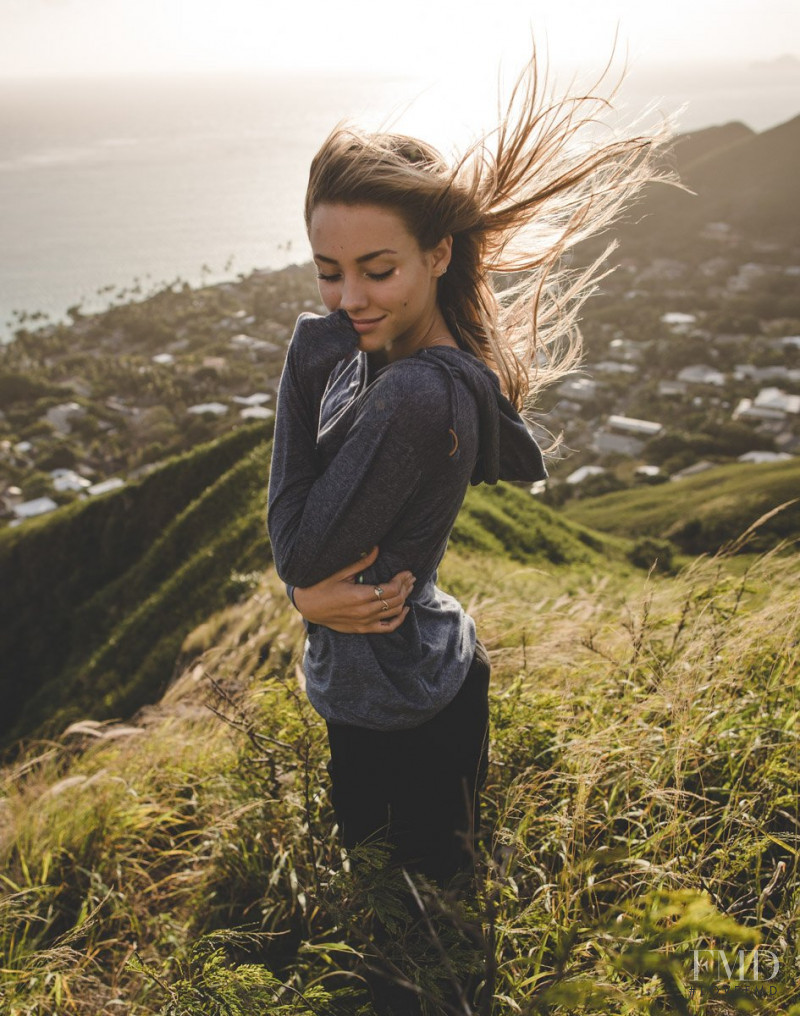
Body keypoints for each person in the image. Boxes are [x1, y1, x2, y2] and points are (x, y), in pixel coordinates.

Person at [267, 53, 669, 1011]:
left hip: (401, 697)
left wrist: (301, 360)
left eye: (377, 269)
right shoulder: (399, 358)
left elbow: (299, 545)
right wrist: (309, 598)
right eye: (328, 273)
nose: (347, 300)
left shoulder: (409, 391)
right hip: (410, 672)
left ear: (439, 254)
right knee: (429, 906)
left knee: (417, 934)